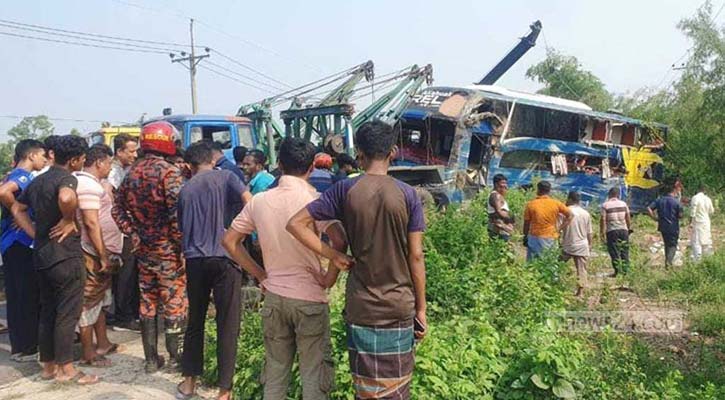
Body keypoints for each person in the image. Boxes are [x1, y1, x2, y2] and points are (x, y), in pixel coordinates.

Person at [288, 121, 427, 399]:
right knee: (396, 390)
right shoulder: (408, 195)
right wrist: (421, 309)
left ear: (359, 154)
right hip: (398, 306)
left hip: (362, 306)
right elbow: (416, 256)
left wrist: (334, 255)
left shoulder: (345, 191)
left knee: (366, 389)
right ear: (393, 151)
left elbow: (296, 224)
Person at [225, 138, 346, 400]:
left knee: (276, 373)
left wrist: (259, 274)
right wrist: (328, 278)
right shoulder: (315, 200)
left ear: (279, 164)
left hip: (274, 297)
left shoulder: (259, 201)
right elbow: (340, 240)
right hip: (309, 298)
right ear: (312, 167)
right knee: (314, 373)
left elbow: (229, 241)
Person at [12, 135, 98, 384]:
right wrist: (69, 219)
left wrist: (34, 232)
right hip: (65, 255)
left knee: (48, 311)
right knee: (67, 313)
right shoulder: (66, 178)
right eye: (82, 159)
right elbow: (66, 198)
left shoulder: (38, 182)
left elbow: (17, 208)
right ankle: (67, 369)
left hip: (42, 253)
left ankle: (48, 366)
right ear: (73, 160)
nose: (83, 162)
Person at [112, 121, 187, 373]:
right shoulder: (169, 172)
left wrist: (132, 232)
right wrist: (181, 246)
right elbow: (177, 215)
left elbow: (117, 209)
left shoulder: (132, 172)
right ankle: (176, 357)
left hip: (143, 250)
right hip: (168, 251)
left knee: (148, 301)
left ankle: (151, 360)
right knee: (174, 301)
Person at [175, 142, 247, 400]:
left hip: (195, 260)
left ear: (188, 166)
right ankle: (224, 391)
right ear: (214, 159)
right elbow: (249, 202)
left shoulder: (185, 190)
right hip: (225, 258)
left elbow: (183, 228)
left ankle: (189, 383)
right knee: (228, 323)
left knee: (195, 321)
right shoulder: (227, 177)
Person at [74, 144, 124, 367]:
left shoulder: (94, 183)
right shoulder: (86, 184)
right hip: (93, 251)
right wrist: (103, 255)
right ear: (99, 162)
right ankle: (88, 352)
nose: (110, 168)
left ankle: (102, 342)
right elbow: (91, 222)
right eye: (109, 163)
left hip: (103, 249)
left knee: (101, 299)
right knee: (89, 300)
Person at [0, 139, 47, 362]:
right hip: (21, 242)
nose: (45, 160)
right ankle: (28, 347)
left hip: (10, 244)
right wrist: (20, 213)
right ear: (31, 156)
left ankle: (20, 346)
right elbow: (4, 192)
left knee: (16, 295)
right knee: (27, 295)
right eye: (42, 156)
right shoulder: (23, 177)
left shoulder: (11, 174)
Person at [106, 133, 141, 332]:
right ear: (119, 151)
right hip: (120, 231)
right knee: (125, 274)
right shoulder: (114, 172)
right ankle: (123, 315)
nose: (134, 155)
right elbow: (112, 196)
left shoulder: (125, 170)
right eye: (131, 151)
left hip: (124, 228)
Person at [523, 181, 572, 261]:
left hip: (535, 236)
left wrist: (525, 236)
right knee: (550, 261)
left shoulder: (531, 204)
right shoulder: (556, 203)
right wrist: (560, 228)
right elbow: (570, 215)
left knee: (532, 262)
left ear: (538, 190)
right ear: (549, 190)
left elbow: (526, 223)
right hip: (551, 236)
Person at [560, 191, 592, 297]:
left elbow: (559, 227)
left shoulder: (565, 211)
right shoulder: (586, 213)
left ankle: (553, 284)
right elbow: (589, 232)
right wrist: (589, 245)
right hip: (582, 245)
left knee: (556, 265)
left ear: (570, 199)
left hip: (568, 244)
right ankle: (580, 292)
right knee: (581, 269)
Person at [647, 184, 684, 267]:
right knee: (673, 245)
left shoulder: (660, 200)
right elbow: (680, 215)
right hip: (673, 227)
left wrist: (654, 218)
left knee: (666, 244)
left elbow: (648, 208)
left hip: (663, 226)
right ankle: (669, 262)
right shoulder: (676, 202)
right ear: (673, 191)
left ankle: (667, 262)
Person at [600, 187, 632, 276]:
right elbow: (628, 217)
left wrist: (602, 232)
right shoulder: (623, 204)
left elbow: (603, 219)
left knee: (614, 250)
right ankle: (625, 271)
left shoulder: (605, 205)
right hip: (623, 229)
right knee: (624, 250)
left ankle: (617, 271)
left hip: (612, 230)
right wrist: (628, 228)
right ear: (618, 195)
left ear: (609, 194)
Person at [689, 185, 715, 261]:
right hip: (706, 221)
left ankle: (697, 261)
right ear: (705, 191)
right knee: (706, 240)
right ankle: (708, 260)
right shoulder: (708, 199)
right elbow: (711, 211)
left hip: (698, 222)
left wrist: (690, 222)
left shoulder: (695, 198)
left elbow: (693, 211)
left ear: (698, 190)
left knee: (696, 242)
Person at [487, 174, 514, 241]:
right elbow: (498, 211)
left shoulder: (497, 195)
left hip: (500, 226)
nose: (505, 185)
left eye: (505, 183)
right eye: (503, 183)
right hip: (499, 228)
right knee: (500, 247)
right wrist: (509, 219)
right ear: (496, 184)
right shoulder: (496, 196)